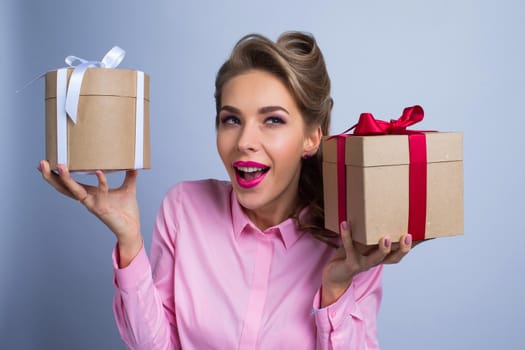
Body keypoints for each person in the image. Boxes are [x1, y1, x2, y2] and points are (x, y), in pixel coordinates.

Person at [39, 31, 414, 349]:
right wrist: (130, 240)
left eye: (272, 120)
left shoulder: (350, 244)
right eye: (231, 119)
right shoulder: (184, 208)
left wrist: (335, 289)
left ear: (311, 137)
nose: (244, 141)